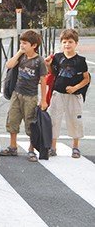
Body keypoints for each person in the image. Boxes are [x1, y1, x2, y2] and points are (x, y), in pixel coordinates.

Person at [0, 30, 48, 162]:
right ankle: (13, 146)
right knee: (13, 120)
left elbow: (43, 80)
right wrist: (20, 52)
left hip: (30, 97)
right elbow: (9, 65)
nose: (22, 45)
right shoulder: (21, 57)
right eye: (21, 43)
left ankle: (31, 149)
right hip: (16, 93)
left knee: (31, 123)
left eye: (25, 43)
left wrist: (44, 99)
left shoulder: (39, 61)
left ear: (34, 45)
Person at [45, 29, 90, 158]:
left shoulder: (80, 61)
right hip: (58, 94)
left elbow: (86, 79)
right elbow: (53, 73)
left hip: (74, 95)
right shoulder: (57, 57)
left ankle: (75, 147)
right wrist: (48, 65)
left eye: (70, 42)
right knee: (54, 119)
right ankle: (52, 147)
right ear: (61, 43)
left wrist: (75, 88)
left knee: (75, 119)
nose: (67, 45)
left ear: (76, 43)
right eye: (64, 42)